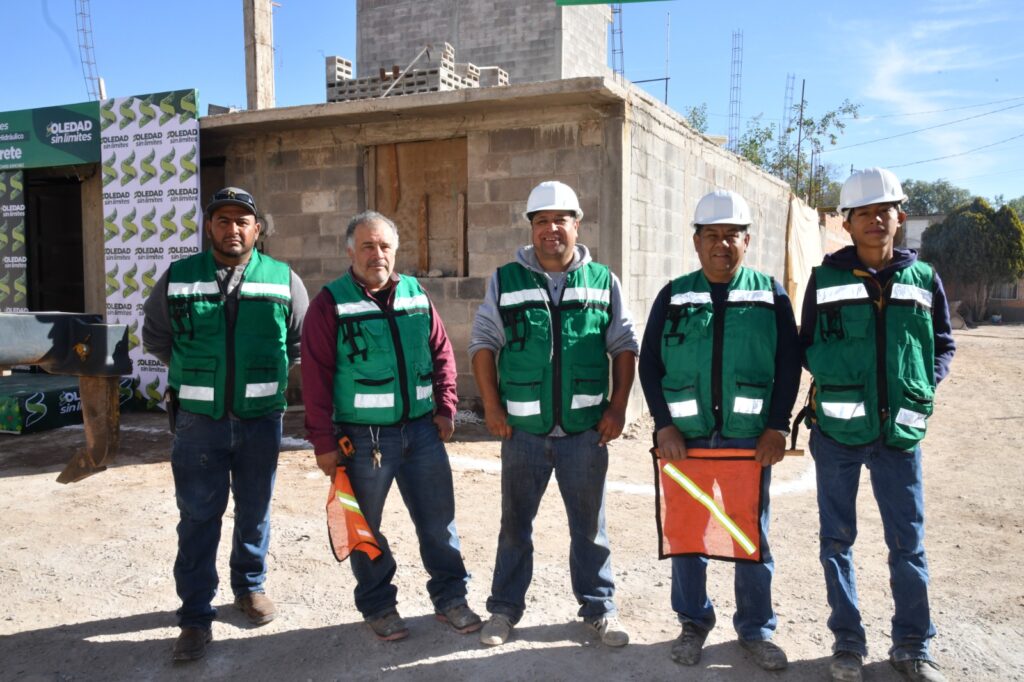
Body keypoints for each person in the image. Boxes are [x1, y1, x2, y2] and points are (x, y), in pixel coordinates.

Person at [800, 168, 955, 682]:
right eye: (862, 213)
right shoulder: (824, 279)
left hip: (899, 438)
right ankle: (847, 643)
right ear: (846, 224)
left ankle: (912, 646)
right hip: (837, 434)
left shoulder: (924, 278)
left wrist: (922, 385)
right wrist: (843, 380)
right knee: (837, 541)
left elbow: (942, 343)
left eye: (882, 211)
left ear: (900, 217)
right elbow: (807, 345)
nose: (874, 220)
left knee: (907, 544)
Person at [142, 186, 309, 662]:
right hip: (198, 422)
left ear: (257, 229)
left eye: (242, 221)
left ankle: (249, 587)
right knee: (198, 518)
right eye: (222, 220)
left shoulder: (283, 278)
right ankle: (195, 616)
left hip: (260, 420)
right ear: (208, 227)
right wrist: (201, 375)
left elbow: (299, 343)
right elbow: (156, 337)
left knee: (255, 509)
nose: (232, 228)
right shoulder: (179, 277)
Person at [469, 180, 638, 648]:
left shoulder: (603, 281)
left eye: (560, 220)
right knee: (514, 527)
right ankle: (504, 610)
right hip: (523, 432)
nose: (551, 229)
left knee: (590, 530)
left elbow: (624, 345)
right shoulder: (506, 280)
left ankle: (600, 609)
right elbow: (483, 343)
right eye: (541, 221)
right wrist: (493, 407)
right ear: (531, 228)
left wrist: (618, 407)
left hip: (585, 433)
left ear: (576, 225)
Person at [638, 189, 800, 671]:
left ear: (747, 241)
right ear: (696, 241)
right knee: (687, 532)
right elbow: (650, 364)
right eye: (711, 234)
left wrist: (777, 427)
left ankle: (755, 629)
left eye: (732, 235)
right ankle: (693, 623)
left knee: (748, 533)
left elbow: (788, 364)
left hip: (747, 440)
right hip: (685, 440)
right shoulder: (674, 295)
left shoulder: (770, 295)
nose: (721, 244)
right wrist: (664, 425)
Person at [301, 210, 480, 642]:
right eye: (367, 246)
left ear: (395, 251)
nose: (377, 254)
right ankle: (379, 605)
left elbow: (442, 352)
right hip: (363, 440)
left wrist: (446, 407)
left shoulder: (416, 294)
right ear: (350, 251)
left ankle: (451, 598)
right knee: (364, 529)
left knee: (439, 524)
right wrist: (323, 441)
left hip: (422, 433)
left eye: (384, 246)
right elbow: (315, 377)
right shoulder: (330, 304)